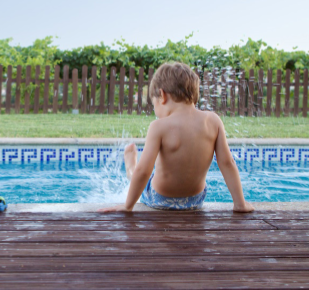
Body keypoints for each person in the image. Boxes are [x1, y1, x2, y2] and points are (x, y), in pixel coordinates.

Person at [99, 62, 254, 213]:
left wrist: (128, 206)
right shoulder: (213, 120)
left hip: (159, 199)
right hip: (195, 200)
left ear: (162, 95)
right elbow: (227, 162)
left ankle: (129, 169)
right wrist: (240, 204)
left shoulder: (158, 126)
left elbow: (144, 171)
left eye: (154, 104)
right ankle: (131, 169)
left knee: (138, 174)